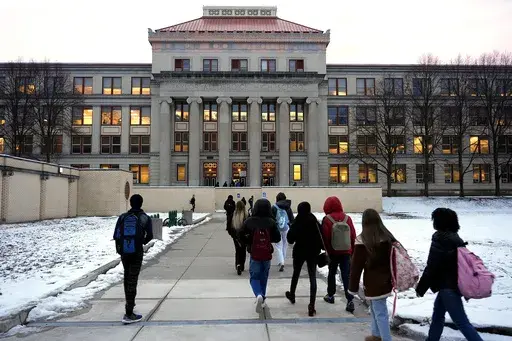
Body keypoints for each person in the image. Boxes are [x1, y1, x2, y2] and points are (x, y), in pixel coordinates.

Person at [416, 208, 483, 341]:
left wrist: (420, 288)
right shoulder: (455, 238)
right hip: (451, 285)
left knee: (462, 323)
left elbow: (432, 266)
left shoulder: (440, 238)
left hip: (448, 288)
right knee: (437, 318)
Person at [348, 208, 396, 341]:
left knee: (380, 312)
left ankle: (386, 338)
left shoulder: (363, 241)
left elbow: (356, 267)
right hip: (386, 281)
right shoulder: (387, 237)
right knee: (376, 309)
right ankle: (376, 335)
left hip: (373, 284)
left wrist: (352, 287)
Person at [113, 194, 153, 324]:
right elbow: (150, 235)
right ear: (141, 204)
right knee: (133, 279)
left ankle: (128, 305)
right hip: (137, 251)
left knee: (127, 276)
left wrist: (121, 248)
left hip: (125, 251)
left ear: (130, 203)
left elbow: (116, 235)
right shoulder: (144, 218)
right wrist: (141, 241)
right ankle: (129, 312)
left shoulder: (123, 217)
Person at [240, 199, 281, 314]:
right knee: (264, 276)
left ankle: (258, 294)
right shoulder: (271, 222)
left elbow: (240, 234)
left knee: (254, 277)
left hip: (255, 253)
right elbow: (277, 238)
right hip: (267, 253)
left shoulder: (249, 222)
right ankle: (263, 296)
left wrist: (249, 242)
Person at [285, 202, 323, 316]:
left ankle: (292, 294)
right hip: (313, 252)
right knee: (312, 276)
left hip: (299, 251)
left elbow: (290, 239)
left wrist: (292, 228)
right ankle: (312, 304)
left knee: (296, 273)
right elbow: (321, 236)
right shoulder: (314, 221)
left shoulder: (298, 220)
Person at [321, 196, 356, 313]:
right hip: (346, 252)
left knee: (331, 273)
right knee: (346, 275)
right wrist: (352, 251)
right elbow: (353, 236)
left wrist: (328, 251)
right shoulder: (348, 218)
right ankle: (350, 300)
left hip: (333, 252)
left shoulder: (327, 219)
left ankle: (330, 295)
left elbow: (325, 238)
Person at [271, 192, 294, 272]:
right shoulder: (288, 207)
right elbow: (291, 219)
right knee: (285, 245)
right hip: (286, 228)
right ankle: (282, 260)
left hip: (277, 228)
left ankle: (281, 261)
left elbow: (271, 218)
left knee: (278, 245)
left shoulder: (274, 207)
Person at [229, 200, 248, 275]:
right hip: (244, 236)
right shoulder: (246, 215)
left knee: (237, 250)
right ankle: (242, 265)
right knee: (243, 250)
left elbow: (229, 227)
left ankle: (238, 264)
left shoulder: (233, 215)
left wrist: (233, 235)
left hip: (235, 236)